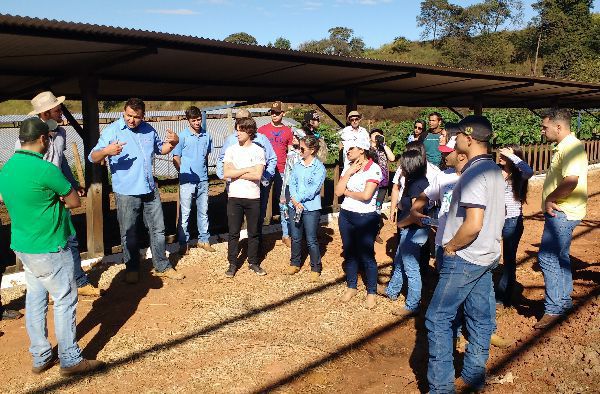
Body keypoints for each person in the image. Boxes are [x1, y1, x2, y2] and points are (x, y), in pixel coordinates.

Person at [0, 117, 104, 376]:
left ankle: (41, 355)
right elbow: (73, 202)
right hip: (50, 245)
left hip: (24, 246)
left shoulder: (8, 168)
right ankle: (70, 359)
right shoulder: (46, 169)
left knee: (35, 299)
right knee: (64, 299)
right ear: (43, 139)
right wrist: (58, 198)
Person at [425, 115, 505, 392]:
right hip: (486, 256)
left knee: (437, 318)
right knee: (481, 316)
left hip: (465, 257)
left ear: (468, 139)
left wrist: (449, 247)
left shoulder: (472, 174)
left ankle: (441, 387)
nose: (454, 141)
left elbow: (473, 224)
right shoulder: (494, 170)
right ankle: (473, 374)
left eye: (457, 136)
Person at [89, 98, 184, 284]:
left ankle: (162, 266)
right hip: (126, 191)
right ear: (124, 112)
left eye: (136, 117)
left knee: (158, 229)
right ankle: (132, 268)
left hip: (149, 188)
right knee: (129, 232)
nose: (131, 120)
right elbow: (92, 156)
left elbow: (160, 149)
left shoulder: (149, 129)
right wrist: (106, 151)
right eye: (128, 115)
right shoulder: (112, 130)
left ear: (143, 116)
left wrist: (173, 143)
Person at [16, 91, 101, 297]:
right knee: (45, 242)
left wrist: (71, 184)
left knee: (69, 238)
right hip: (41, 198)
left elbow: (61, 163)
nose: (61, 112)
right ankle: (50, 288)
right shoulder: (26, 140)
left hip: (59, 196)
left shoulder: (61, 134)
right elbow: (24, 170)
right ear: (45, 113)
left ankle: (79, 281)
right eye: (57, 110)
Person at [535, 108, 588, 330]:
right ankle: (563, 302)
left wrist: (551, 199)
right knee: (560, 256)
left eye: (545, 127)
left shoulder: (571, 148)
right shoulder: (564, 147)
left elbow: (571, 180)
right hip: (565, 210)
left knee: (547, 258)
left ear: (559, 126)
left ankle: (553, 309)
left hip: (562, 211)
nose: (542, 131)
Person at [335, 133, 382, 309]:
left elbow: (366, 195)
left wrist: (347, 191)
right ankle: (352, 286)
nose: (347, 151)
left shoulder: (374, 168)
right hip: (346, 214)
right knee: (349, 251)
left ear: (362, 150)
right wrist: (347, 172)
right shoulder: (350, 166)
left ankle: (371, 291)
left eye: (351, 148)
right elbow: (338, 192)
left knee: (367, 254)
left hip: (365, 217)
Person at [384, 142, 429, 317]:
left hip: (413, 231)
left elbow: (416, 215)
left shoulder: (418, 185)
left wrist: (401, 224)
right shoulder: (413, 181)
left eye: (403, 164)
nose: (400, 167)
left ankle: (412, 304)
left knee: (411, 268)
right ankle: (392, 291)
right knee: (399, 261)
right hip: (408, 230)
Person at [223, 117, 267, 277]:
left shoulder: (258, 150)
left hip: (253, 197)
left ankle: (253, 262)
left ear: (250, 131)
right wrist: (247, 169)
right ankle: (232, 263)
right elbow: (226, 173)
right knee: (233, 232)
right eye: (237, 129)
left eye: (241, 130)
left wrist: (238, 171)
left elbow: (257, 175)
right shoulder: (231, 150)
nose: (237, 133)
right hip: (234, 197)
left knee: (253, 231)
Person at [172, 106, 215, 255]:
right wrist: (182, 172)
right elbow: (176, 158)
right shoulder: (182, 136)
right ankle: (183, 243)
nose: (197, 122)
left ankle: (204, 239)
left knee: (203, 211)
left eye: (198, 119)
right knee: (185, 212)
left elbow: (206, 155)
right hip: (187, 181)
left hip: (203, 179)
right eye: (194, 120)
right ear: (188, 120)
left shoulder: (207, 136)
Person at [496, 145, 533, 307]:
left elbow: (529, 171)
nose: (500, 156)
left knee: (509, 260)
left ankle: (504, 297)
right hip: (495, 220)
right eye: (500, 153)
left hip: (512, 221)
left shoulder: (518, 175)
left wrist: (514, 157)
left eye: (505, 155)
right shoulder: (495, 171)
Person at [286, 135, 326, 281]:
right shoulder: (297, 165)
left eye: (302, 148)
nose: (299, 151)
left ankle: (316, 267)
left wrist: (298, 199)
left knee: (311, 239)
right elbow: (292, 183)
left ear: (312, 149)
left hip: (311, 208)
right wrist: (295, 201)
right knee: (295, 237)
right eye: (298, 148)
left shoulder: (319, 168)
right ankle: (295, 262)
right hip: (295, 206)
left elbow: (314, 189)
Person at [258, 101, 294, 247]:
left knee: (283, 202)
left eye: (277, 113)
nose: (274, 115)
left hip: (283, 170)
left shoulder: (288, 131)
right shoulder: (262, 130)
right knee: (262, 201)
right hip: (266, 170)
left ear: (282, 114)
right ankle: (258, 233)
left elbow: (291, 152)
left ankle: (286, 234)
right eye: (272, 112)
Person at [369, 128, 395, 243]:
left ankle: (375, 232)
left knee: (378, 207)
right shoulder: (366, 148)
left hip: (382, 184)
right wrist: (372, 144)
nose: (377, 137)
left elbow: (392, 158)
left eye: (380, 135)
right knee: (368, 207)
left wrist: (383, 144)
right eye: (375, 135)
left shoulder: (384, 148)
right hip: (370, 183)